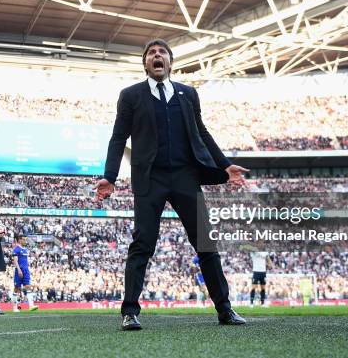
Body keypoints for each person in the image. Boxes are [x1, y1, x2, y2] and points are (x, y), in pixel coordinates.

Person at [95, 38, 249, 330]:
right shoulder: (130, 95)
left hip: (185, 177)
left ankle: (225, 310)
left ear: (169, 62)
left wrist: (224, 164)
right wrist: (110, 177)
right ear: (145, 63)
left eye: (162, 52)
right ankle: (130, 312)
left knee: (206, 244)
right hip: (150, 179)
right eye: (151, 52)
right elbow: (118, 138)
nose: (157, 55)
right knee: (142, 244)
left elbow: (202, 133)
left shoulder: (188, 94)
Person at [11, 234, 38, 312]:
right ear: (19, 240)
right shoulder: (16, 249)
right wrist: (19, 270)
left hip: (26, 271)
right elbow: (15, 261)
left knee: (28, 286)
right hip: (19, 271)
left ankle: (31, 306)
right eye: (24, 239)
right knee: (16, 289)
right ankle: (14, 307)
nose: (25, 241)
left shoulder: (26, 249)